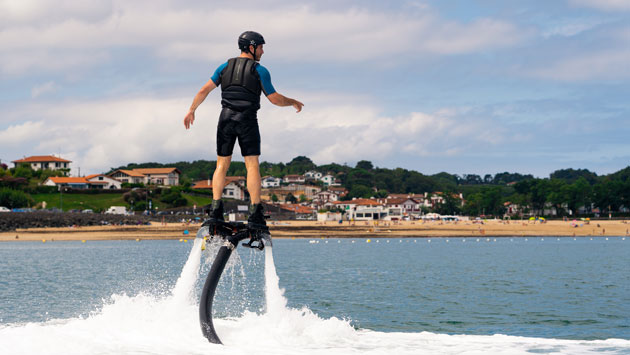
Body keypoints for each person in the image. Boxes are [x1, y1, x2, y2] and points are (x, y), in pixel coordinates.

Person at [183, 31, 303, 231]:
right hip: (247, 120)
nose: (263, 52)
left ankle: (215, 210)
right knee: (252, 165)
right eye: (261, 47)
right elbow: (273, 98)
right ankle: (255, 212)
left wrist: (191, 110)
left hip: (225, 119)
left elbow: (203, 90)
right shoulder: (260, 70)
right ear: (252, 47)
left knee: (221, 165)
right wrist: (292, 102)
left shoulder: (224, 67)